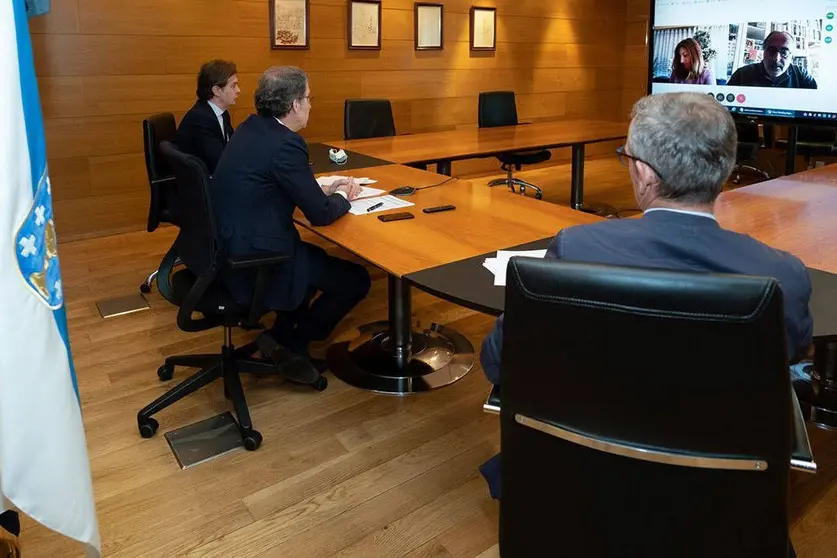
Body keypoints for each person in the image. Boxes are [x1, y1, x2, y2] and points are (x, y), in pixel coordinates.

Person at [478, 91, 813, 498]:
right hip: (719, 497)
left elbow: (499, 360)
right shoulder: (785, 276)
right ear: (724, 168)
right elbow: (787, 365)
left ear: (644, 173)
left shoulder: (575, 250)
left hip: (583, 482)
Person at [213, 66, 371, 380]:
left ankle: (279, 335)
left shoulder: (251, 128)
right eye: (309, 98)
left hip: (227, 247)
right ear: (295, 105)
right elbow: (322, 215)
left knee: (314, 265)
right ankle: (294, 344)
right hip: (258, 257)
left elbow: (270, 180)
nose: (311, 104)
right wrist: (343, 197)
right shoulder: (286, 143)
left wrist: (317, 189)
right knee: (356, 279)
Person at [174, 59, 240, 174]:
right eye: (233, 86)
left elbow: (232, 147)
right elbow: (219, 162)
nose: (238, 90)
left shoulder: (221, 113)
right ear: (217, 90)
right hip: (203, 184)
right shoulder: (201, 119)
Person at [727, 31, 817, 88]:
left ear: (792, 57)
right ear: (764, 52)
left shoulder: (802, 76)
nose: (776, 59)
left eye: (784, 53)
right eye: (771, 51)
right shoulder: (741, 75)